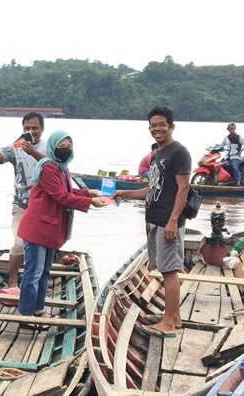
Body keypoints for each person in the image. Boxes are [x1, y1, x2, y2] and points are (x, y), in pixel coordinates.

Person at [114, 105, 191, 338]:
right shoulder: (157, 154)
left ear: (171, 126)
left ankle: (167, 323)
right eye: (153, 125)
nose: (157, 129)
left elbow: (183, 188)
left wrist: (173, 221)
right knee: (164, 269)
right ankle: (173, 317)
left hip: (168, 221)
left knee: (169, 271)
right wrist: (124, 193)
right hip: (154, 219)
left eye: (162, 124)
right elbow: (153, 189)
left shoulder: (179, 152)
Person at [17, 130, 107, 323]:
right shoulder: (49, 167)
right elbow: (61, 196)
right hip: (37, 229)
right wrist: (90, 202)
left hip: (49, 229)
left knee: (45, 272)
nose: (66, 150)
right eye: (62, 147)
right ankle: (26, 314)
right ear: (52, 147)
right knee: (33, 273)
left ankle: (38, 309)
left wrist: (88, 193)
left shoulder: (62, 167)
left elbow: (68, 190)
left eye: (69, 147)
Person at [0, 112, 47, 294]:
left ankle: (36, 284)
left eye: (35, 128)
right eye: (27, 128)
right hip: (21, 205)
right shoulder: (16, 146)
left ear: (42, 129)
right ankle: (12, 281)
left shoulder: (49, 147)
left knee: (41, 247)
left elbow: (55, 166)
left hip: (44, 206)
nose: (31, 132)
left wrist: (34, 152)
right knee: (19, 243)